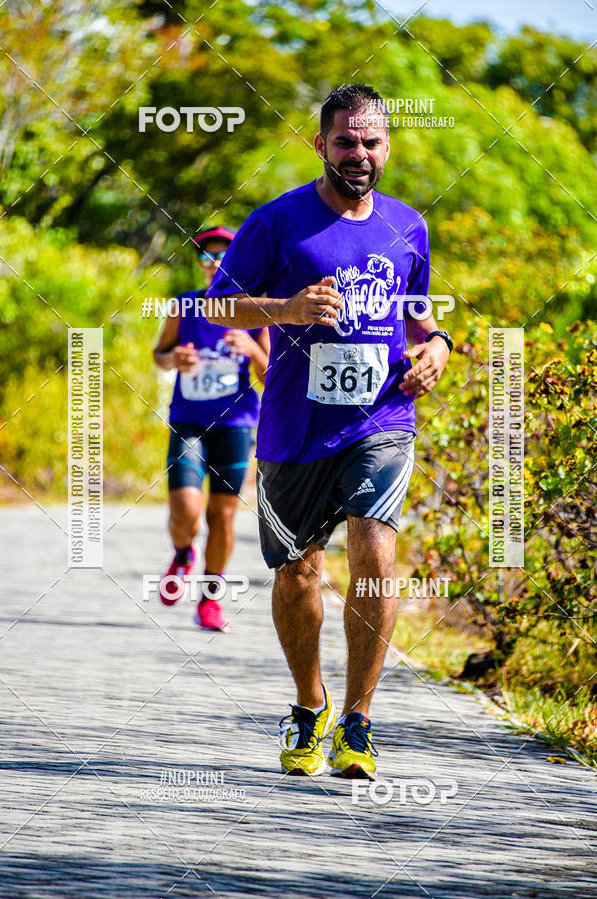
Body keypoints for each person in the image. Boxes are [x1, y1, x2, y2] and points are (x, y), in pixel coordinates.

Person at [206, 84, 452, 776]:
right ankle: (309, 706)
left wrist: (440, 347)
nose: (359, 154)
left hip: (382, 420)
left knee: (374, 548)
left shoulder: (409, 226)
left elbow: (420, 316)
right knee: (298, 574)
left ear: (388, 146)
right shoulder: (278, 221)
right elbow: (219, 305)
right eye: (345, 140)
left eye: (371, 142)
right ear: (320, 144)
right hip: (293, 429)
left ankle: (359, 720)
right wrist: (283, 307)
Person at [153, 225, 270, 631]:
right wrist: (175, 360)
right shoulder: (183, 307)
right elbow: (160, 355)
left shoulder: (255, 312)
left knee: (222, 517)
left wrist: (252, 348)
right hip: (189, 419)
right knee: (186, 509)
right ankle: (183, 552)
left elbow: (273, 373)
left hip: (236, 424)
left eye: (221, 256)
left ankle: (210, 598)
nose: (213, 263)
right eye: (206, 257)